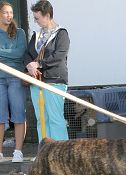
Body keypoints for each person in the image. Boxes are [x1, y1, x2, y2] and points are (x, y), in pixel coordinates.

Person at [23, 0, 69, 142]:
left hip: (55, 81)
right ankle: (43, 154)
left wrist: (39, 64)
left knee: (55, 119)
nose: (35, 21)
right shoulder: (36, 35)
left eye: (37, 18)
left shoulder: (62, 34)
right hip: (36, 82)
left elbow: (59, 56)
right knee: (41, 120)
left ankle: (62, 156)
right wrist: (30, 65)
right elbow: (27, 54)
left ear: (47, 15)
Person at [0, 1, 26, 162]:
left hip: (16, 77)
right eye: (5, 12)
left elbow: (20, 53)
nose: (9, 15)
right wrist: (9, 53)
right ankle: (0, 152)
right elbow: (14, 53)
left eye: (11, 12)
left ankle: (18, 152)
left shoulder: (20, 32)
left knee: (18, 114)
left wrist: (2, 54)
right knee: (0, 117)